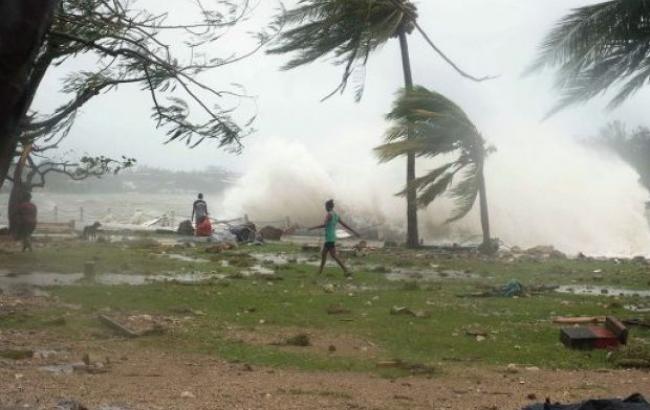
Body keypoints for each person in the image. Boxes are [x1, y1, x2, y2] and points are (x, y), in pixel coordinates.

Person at [310, 199, 360, 277]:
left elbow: (325, 225)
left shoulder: (329, 214)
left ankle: (345, 270)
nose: (325, 208)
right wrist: (354, 231)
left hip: (329, 238)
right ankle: (321, 271)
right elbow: (345, 225)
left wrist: (313, 228)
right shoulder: (336, 215)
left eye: (325, 206)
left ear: (328, 207)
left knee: (331, 255)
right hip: (332, 237)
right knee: (326, 254)